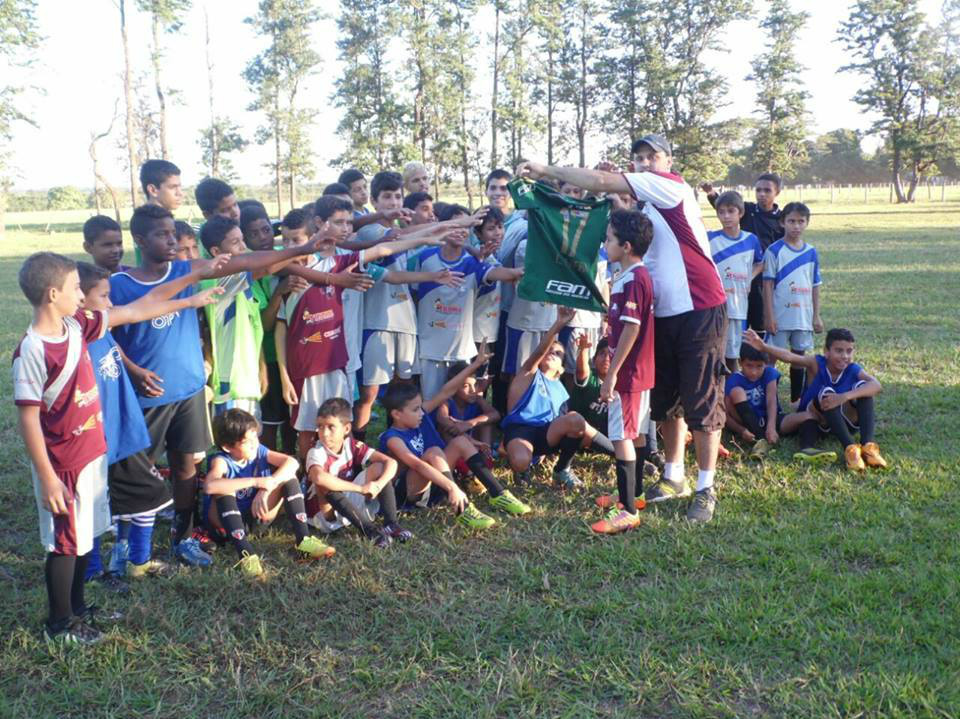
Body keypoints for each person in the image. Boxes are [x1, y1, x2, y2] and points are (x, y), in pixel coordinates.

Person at [519, 132, 728, 522]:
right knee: (668, 400)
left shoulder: (670, 187)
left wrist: (546, 170)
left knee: (701, 399)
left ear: (668, 160)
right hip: (661, 312)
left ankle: (706, 487)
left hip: (700, 306)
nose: (646, 163)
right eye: (639, 158)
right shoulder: (647, 204)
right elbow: (614, 204)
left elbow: (599, 183)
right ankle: (673, 476)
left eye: (653, 156)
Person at [12, 252, 217, 643]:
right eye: (76, 288)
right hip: (63, 465)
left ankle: (78, 610)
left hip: (92, 452)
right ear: (53, 294)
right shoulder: (33, 350)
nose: (81, 294)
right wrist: (48, 477)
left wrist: (189, 300)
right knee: (64, 543)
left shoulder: (77, 326)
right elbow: (28, 420)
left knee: (84, 536)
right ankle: (60, 625)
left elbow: (137, 310)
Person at [109, 204, 322, 568]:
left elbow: (247, 262)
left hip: (190, 390)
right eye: (162, 235)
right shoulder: (120, 286)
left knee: (185, 467)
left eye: (173, 234)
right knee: (136, 471)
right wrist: (132, 369)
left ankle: (182, 536)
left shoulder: (184, 271)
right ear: (140, 240)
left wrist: (302, 248)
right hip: (150, 396)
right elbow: (104, 334)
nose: (172, 241)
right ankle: (124, 546)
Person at [276, 199, 460, 460]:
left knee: (340, 421)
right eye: (287, 241)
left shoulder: (339, 263)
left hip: (337, 361)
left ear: (313, 236)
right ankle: (310, 478)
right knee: (308, 428)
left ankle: (344, 468)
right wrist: (284, 376)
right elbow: (280, 327)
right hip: (304, 368)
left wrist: (428, 238)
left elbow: (383, 249)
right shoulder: (288, 277)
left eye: (298, 240)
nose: (293, 247)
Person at [77, 262, 222, 583]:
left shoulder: (99, 329)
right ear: (79, 300)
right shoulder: (79, 336)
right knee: (109, 500)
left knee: (126, 499)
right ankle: (109, 565)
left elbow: (146, 303)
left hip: (120, 433)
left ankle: (127, 559)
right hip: (99, 439)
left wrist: (190, 299)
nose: (111, 303)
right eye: (104, 296)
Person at [380, 351, 531, 529]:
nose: (421, 413)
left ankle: (498, 494)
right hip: (411, 493)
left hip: (435, 482)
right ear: (396, 414)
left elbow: (447, 390)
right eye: (415, 410)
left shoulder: (420, 415)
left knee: (460, 442)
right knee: (433, 451)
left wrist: (476, 364)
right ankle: (463, 511)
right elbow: (418, 466)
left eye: (420, 408)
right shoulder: (392, 438)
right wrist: (453, 488)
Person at [204, 409, 333, 578]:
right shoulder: (221, 461)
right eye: (247, 442)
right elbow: (209, 486)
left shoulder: (259, 450)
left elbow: (292, 462)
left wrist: (267, 487)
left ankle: (304, 542)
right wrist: (256, 482)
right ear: (228, 447)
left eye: (255, 438)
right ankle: (246, 555)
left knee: (288, 478)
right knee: (224, 490)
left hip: (256, 518)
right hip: (225, 526)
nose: (254, 444)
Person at [590, 210, 656, 534]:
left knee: (621, 436)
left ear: (626, 246)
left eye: (610, 238)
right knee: (638, 432)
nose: (606, 242)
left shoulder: (634, 278)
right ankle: (635, 494)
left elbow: (632, 329)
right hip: (636, 371)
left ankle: (628, 511)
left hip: (628, 375)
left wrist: (612, 373)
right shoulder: (628, 275)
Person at [409, 214, 522, 402]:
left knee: (459, 402)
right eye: (456, 226)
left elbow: (498, 273)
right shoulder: (424, 259)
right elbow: (414, 294)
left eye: (465, 227)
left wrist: (518, 272)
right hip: (430, 348)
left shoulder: (473, 262)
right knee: (430, 401)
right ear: (443, 227)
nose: (461, 232)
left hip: (461, 351)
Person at [502, 306, 617, 489]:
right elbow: (539, 352)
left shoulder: (561, 389)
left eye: (557, 354)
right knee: (521, 460)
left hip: (548, 434)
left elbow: (574, 426)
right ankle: (523, 471)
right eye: (550, 351)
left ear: (562, 368)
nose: (550, 354)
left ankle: (563, 469)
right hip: (521, 431)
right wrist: (559, 324)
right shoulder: (528, 374)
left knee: (576, 420)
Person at [744, 328, 887, 471]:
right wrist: (763, 346)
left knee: (864, 388)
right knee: (827, 393)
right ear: (826, 351)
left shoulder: (853, 369)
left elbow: (876, 385)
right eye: (839, 351)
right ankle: (850, 449)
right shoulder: (817, 363)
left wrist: (844, 397)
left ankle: (868, 447)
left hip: (843, 422)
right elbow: (790, 357)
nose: (844, 356)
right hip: (816, 420)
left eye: (849, 351)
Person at [304, 398, 412, 548]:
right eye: (320, 427)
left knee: (379, 467)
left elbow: (391, 463)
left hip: (349, 508)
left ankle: (391, 524)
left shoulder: (352, 445)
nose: (324, 433)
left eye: (331, 427)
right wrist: (360, 489)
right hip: (326, 516)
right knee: (325, 483)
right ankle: (370, 531)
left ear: (346, 429)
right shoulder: (316, 452)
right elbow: (318, 477)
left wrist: (377, 485)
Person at [702, 173, 784, 331]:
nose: (762, 194)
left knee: (760, 322)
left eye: (767, 190)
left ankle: (758, 354)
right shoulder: (748, 210)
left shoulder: (780, 219)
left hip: (762, 278)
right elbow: (727, 206)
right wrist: (711, 193)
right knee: (736, 321)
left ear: (777, 192)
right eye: (758, 190)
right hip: (737, 274)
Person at [762, 202, 823, 402]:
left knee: (799, 356)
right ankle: (768, 398)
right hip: (780, 316)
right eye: (791, 221)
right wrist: (769, 316)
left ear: (807, 223)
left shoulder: (811, 252)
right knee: (772, 356)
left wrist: (816, 316)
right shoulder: (774, 250)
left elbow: (815, 285)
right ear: (782, 223)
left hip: (803, 316)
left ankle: (797, 400)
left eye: (800, 221)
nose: (796, 226)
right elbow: (768, 286)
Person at [708, 190, 764, 372]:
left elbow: (760, 263)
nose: (726, 216)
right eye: (721, 212)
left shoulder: (751, 240)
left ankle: (731, 393)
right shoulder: (710, 239)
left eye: (731, 211)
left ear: (740, 213)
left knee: (733, 355)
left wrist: (750, 277)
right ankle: (717, 395)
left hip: (739, 306)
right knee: (715, 354)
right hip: (716, 307)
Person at [724, 342, 810, 459]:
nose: (754, 371)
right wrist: (741, 430)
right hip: (746, 423)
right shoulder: (734, 380)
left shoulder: (769, 373)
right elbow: (725, 414)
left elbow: (771, 400)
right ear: (740, 362)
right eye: (749, 365)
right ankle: (760, 440)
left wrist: (771, 427)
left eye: (759, 366)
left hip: (770, 418)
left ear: (766, 363)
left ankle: (814, 440)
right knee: (737, 392)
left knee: (807, 417)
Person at [434, 361, 501, 447]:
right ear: (454, 387)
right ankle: (458, 459)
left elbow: (495, 414)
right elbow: (442, 418)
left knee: (486, 423)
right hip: (453, 447)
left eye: (475, 384)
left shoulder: (477, 399)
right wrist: (462, 430)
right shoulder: (447, 401)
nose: (473, 390)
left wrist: (469, 424)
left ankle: (487, 457)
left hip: (474, 442)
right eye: (466, 386)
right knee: (447, 428)